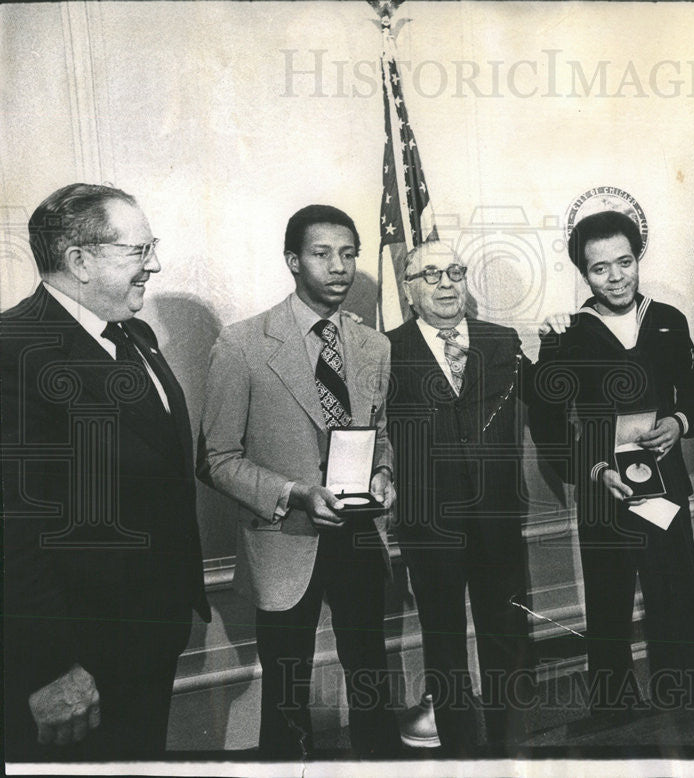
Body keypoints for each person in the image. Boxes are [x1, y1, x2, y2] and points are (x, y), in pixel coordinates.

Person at [1, 183, 209, 760]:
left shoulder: (133, 334)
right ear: (80, 260)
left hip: (152, 631)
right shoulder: (13, 349)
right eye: (139, 251)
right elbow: (11, 531)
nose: (155, 265)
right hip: (77, 658)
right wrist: (51, 667)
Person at [197, 204, 400, 758]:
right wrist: (295, 494)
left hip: (358, 529)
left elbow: (378, 433)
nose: (339, 266)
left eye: (349, 254)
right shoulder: (243, 345)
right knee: (287, 687)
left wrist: (383, 472)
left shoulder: (372, 346)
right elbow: (215, 459)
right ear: (292, 261)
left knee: (370, 675)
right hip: (285, 537)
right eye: (322, 253)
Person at [532, 209, 694, 712]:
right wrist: (594, 470)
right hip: (603, 488)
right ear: (583, 272)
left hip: (665, 486)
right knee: (608, 603)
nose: (615, 277)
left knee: (675, 594)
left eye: (625, 262)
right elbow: (548, 426)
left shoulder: (669, 321)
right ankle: (613, 713)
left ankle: (684, 700)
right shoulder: (566, 333)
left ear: (639, 259)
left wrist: (678, 423)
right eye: (600, 268)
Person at [386, 240, 536, 755]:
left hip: (498, 520)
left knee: (505, 639)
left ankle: (509, 751)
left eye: (454, 271)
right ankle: (460, 756)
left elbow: (547, 407)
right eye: (430, 275)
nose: (447, 283)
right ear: (409, 291)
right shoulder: (387, 350)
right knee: (444, 647)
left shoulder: (503, 341)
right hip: (430, 527)